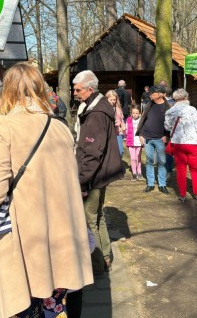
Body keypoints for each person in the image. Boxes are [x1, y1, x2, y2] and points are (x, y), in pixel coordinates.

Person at [0, 63, 93, 317]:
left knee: (26, 307)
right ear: (40, 89)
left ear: (7, 91)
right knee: (56, 308)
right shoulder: (60, 127)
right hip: (63, 238)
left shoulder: (2, 126)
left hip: (27, 243)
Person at [73, 70, 124, 277]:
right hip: (100, 173)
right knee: (98, 216)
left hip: (94, 175)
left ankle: (96, 267)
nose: (75, 93)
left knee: (88, 220)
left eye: (78, 89)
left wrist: (82, 180)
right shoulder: (97, 107)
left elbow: (93, 152)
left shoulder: (95, 114)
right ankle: (105, 256)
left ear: (90, 89)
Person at [164, 89, 197, 202]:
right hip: (193, 143)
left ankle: (182, 194)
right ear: (186, 98)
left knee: (181, 170)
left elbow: (167, 127)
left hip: (178, 143)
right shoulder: (192, 110)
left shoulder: (170, 111)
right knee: (194, 169)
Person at [136, 85, 171, 194]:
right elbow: (143, 120)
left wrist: (167, 135)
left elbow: (171, 124)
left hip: (161, 139)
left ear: (160, 94)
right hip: (147, 138)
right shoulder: (148, 105)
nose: (150, 95)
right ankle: (150, 184)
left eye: (152, 93)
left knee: (162, 162)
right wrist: (141, 134)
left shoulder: (168, 108)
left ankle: (162, 184)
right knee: (149, 162)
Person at [105, 89, 126, 157]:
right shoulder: (105, 109)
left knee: (120, 152)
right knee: (110, 152)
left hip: (118, 133)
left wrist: (123, 125)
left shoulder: (118, 108)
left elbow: (121, 119)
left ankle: (118, 165)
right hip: (109, 133)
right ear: (107, 99)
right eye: (111, 99)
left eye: (114, 99)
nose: (113, 101)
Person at [126, 105, 143, 181]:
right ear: (131, 113)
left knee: (138, 158)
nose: (135, 114)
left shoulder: (141, 120)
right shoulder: (129, 120)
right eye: (133, 113)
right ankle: (134, 173)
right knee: (133, 158)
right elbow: (126, 130)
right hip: (131, 141)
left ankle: (139, 172)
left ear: (139, 113)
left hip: (139, 142)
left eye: (136, 113)